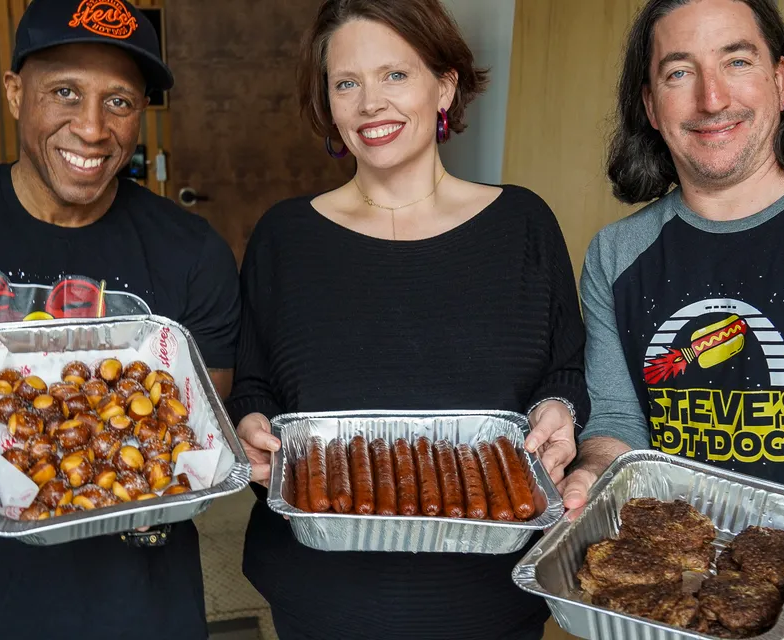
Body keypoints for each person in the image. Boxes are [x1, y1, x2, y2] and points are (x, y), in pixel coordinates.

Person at [225, 1, 589, 638]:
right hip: (322, 600)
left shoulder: (523, 224)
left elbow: (564, 369)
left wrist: (561, 406)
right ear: (329, 104)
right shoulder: (284, 237)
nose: (371, 104)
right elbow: (255, 388)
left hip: (492, 602)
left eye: (395, 75)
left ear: (444, 85)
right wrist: (251, 426)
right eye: (347, 83)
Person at [559, 0, 784, 638]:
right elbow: (616, 423)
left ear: (780, 80)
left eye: (736, 61)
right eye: (678, 73)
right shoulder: (616, 254)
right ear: (649, 105)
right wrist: (588, 476)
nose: (712, 98)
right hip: (660, 612)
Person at [0, 1, 240, 638]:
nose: (92, 129)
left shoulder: (193, 254)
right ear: (14, 94)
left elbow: (199, 429)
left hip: (138, 605)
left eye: (119, 101)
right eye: (64, 92)